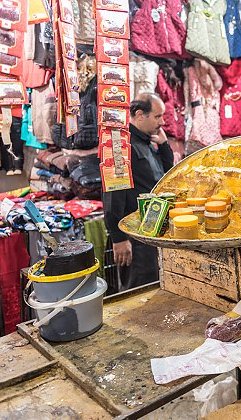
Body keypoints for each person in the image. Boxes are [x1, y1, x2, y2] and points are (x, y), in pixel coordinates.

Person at [103, 93, 174, 290]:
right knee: (139, 290)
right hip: (134, 237)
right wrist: (118, 238)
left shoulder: (146, 142)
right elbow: (113, 194)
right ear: (140, 114)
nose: (162, 122)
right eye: (157, 117)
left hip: (151, 231)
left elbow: (165, 177)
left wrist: (164, 145)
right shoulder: (121, 145)